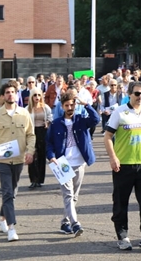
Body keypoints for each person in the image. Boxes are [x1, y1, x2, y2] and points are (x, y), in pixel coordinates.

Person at [103, 81, 141, 252]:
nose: (140, 97)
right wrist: (113, 157)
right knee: (121, 203)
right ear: (129, 94)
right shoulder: (120, 112)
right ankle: (122, 236)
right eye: (137, 94)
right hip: (124, 165)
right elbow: (107, 136)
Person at [0, 83, 36, 242]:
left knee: (12, 192)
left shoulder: (24, 113)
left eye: (13, 92)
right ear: (2, 96)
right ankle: (11, 227)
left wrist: (30, 151)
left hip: (19, 159)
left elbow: (31, 135)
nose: (10, 95)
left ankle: (3, 217)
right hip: (3, 160)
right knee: (7, 192)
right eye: (7, 92)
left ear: (17, 94)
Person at [46, 92, 100, 237]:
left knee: (74, 196)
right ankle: (75, 224)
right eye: (67, 105)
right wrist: (51, 157)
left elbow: (96, 119)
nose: (70, 107)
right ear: (62, 107)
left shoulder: (81, 120)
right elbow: (49, 143)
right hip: (63, 163)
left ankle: (65, 222)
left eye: (72, 105)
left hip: (80, 162)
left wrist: (86, 105)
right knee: (68, 195)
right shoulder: (56, 123)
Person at [26, 87, 52, 189]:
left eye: (39, 95)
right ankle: (33, 180)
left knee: (41, 156)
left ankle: (40, 179)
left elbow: (50, 117)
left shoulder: (46, 108)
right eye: (35, 95)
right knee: (32, 156)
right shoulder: (27, 109)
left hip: (43, 132)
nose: (37, 97)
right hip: (32, 133)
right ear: (31, 97)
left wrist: (48, 122)